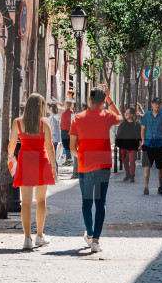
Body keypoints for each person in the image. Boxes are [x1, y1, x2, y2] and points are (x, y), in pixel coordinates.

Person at [69, 86, 122, 253]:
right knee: (100, 202)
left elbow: (72, 147)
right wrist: (110, 100)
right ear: (102, 101)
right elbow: (121, 116)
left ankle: (90, 234)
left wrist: (82, 157)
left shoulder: (78, 118)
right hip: (103, 167)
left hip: (85, 166)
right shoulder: (107, 116)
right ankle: (96, 241)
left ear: (90, 100)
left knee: (86, 202)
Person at [7, 93, 58, 249]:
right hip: (41, 161)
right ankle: (40, 236)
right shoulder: (45, 122)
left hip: (25, 161)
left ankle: (27, 238)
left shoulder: (18, 122)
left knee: (26, 202)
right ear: (41, 107)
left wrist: (10, 158)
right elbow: (49, 146)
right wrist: (54, 166)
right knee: (41, 200)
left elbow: (12, 145)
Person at [140, 96, 162, 195]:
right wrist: (143, 141)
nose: (157, 105)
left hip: (160, 144)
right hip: (148, 144)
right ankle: (146, 187)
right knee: (147, 166)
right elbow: (142, 129)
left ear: (160, 105)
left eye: (159, 104)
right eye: (155, 104)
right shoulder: (146, 115)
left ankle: (160, 186)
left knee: (160, 167)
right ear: (152, 104)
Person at [115, 107, 141, 181]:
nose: (125, 115)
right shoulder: (123, 124)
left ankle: (132, 176)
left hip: (133, 146)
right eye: (125, 113)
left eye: (127, 113)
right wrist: (116, 144)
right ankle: (127, 174)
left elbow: (139, 136)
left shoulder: (136, 125)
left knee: (132, 161)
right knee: (125, 162)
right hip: (124, 146)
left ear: (132, 115)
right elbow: (119, 134)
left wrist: (140, 145)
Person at [59, 99, 74, 166]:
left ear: (66, 104)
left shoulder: (63, 111)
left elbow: (58, 108)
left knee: (65, 145)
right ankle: (68, 159)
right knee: (68, 145)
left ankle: (69, 159)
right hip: (69, 130)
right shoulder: (71, 112)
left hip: (64, 130)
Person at [48, 100, 63, 165]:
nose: (46, 109)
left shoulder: (53, 117)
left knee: (52, 157)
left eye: (47, 107)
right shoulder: (55, 116)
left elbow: (53, 129)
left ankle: (54, 171)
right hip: (55, 139)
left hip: (53, 139)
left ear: (50, 108)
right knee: (53, 157)